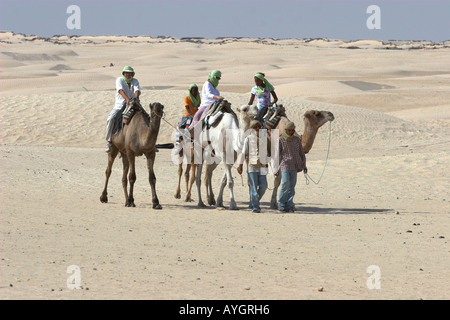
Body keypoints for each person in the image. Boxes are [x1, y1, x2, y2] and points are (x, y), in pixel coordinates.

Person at [105, 66, 141, 152]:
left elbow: (137, 90)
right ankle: (109, 141)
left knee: (146, 117)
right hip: (120, 105)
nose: (128, 75)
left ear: (132, 74)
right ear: (123, 73)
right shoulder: (119, 80)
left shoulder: (135, 81)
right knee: (110, 119)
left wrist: (135, 98)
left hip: (133, 104)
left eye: (130, 73)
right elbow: (120, 91)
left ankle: (149, 143)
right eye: (126, 73)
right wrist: (127, 99)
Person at [273, 121, 307, 212]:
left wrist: (304, 165)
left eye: (292, 130)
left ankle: (289, 204)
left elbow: (301, 153)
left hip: (295, 166)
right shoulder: (280, 140)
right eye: (289, 130)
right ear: (286, 130)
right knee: (285, 184)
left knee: (292, 186)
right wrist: (275, 169)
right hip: (285, 164)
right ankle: (281, 203)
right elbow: (277, 155)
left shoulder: (296, 140)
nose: (290, 132)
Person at [237, 119, 269, 213]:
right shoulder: (248, 139)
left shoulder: (263, 138)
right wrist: (240, 165)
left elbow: (265, 153)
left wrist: (266, 164)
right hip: (252, 166)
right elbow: (243, 153)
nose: (257, 128)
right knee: (254, 188)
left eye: (259, 127)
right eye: (255, 127)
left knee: (263, 186)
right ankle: (255, 207)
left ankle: (253, 202)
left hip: (262, 165)